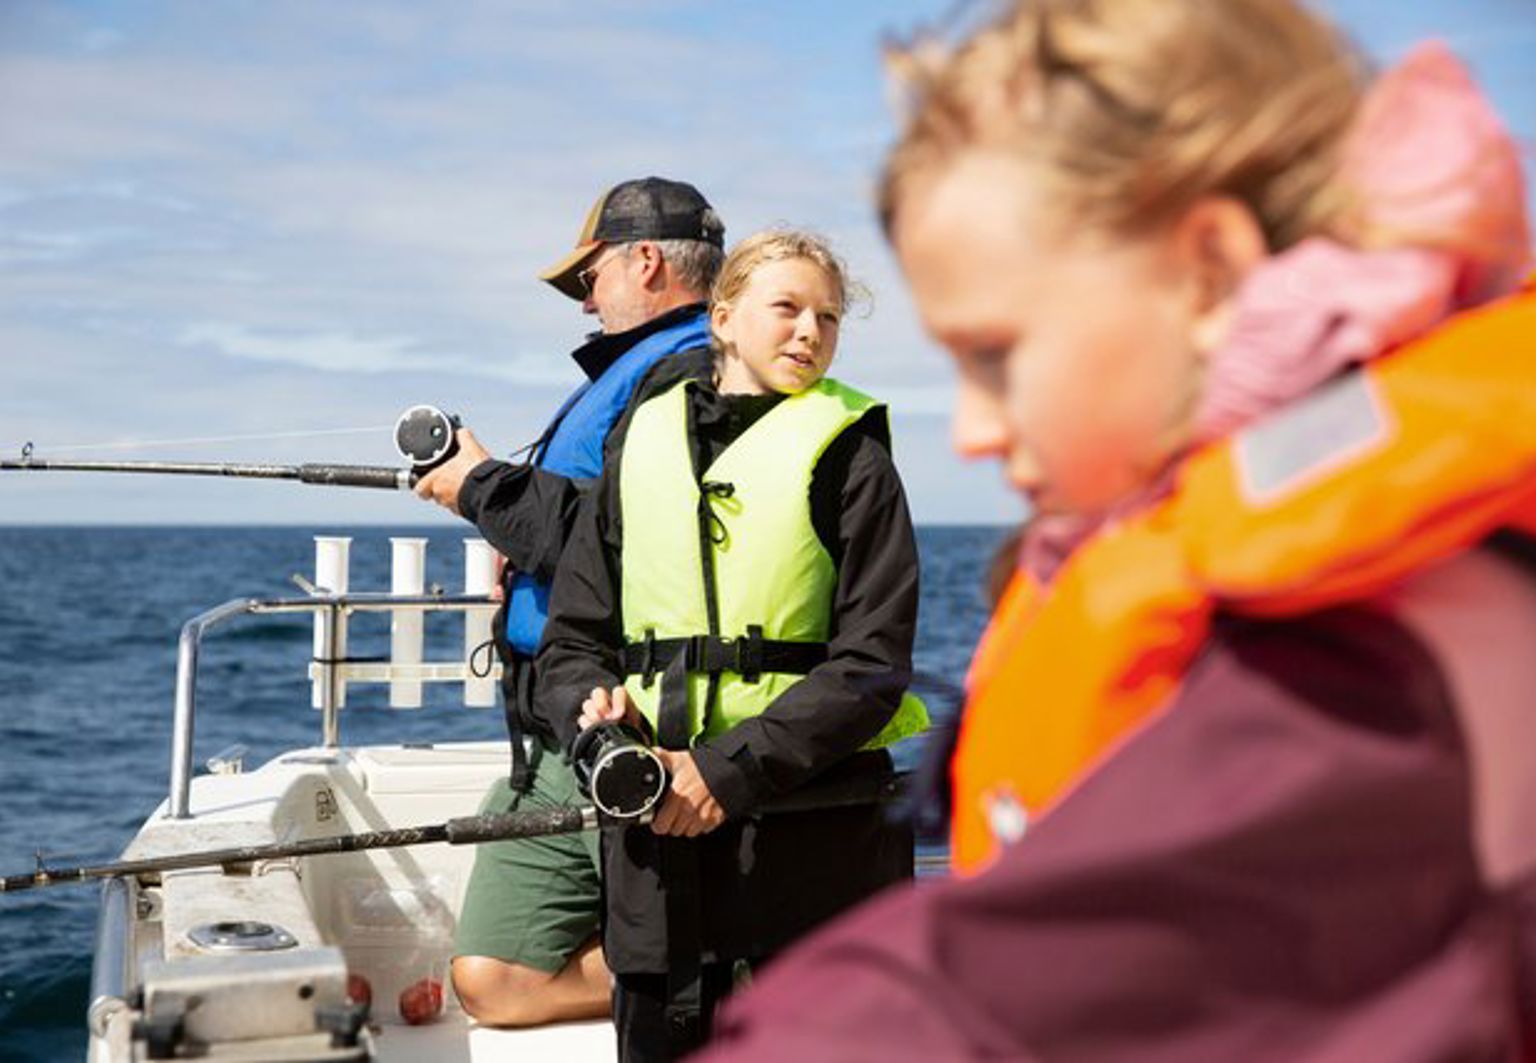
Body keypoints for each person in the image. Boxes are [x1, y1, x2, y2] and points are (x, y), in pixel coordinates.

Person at [702, 1, 1536, 1059]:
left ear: (1210, 273)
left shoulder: (1364, 673)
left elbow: (998, 1002)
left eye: (997, 356)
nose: (970, 431)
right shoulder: (1266, 554)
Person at [531, 229, 930, 1060]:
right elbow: (572, 639)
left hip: (814, 849)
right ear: (722, 317)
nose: (810, 331)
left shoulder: (855, 456)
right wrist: (595, 723)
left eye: (828, 316)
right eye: (787, 307)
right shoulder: (639, 443)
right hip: (655, 856)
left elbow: (872, 666)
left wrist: (725, 770)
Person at [413, 176, 726, 1026]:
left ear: (647, 261)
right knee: (492, 977)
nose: (586, 302)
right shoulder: (641, 369)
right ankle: (692, 953)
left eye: (590, 278)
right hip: (557, 728)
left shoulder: (690, 376)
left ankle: (722, 959)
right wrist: (511, 533)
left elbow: (622, 540)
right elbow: (586, 522)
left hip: (620, 716)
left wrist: (481, 487)